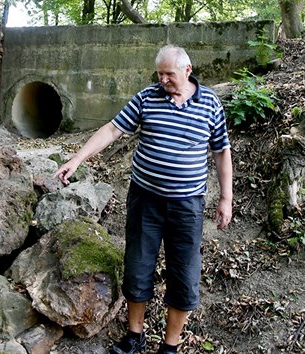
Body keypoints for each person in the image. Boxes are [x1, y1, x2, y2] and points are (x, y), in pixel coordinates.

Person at [53, 44, 233, 354]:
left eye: (169, 74)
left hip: (187, 206)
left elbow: (221, 151)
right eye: (159, 74)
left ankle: (170, 346)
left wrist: (226, 198)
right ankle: (134, 336)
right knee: (138, 268)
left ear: (187, 70)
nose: (163, 80)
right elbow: (112, 129)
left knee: (184, 275)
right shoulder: (147, 97)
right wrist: (78, 159)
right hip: (145, 201)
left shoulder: (211, 104)